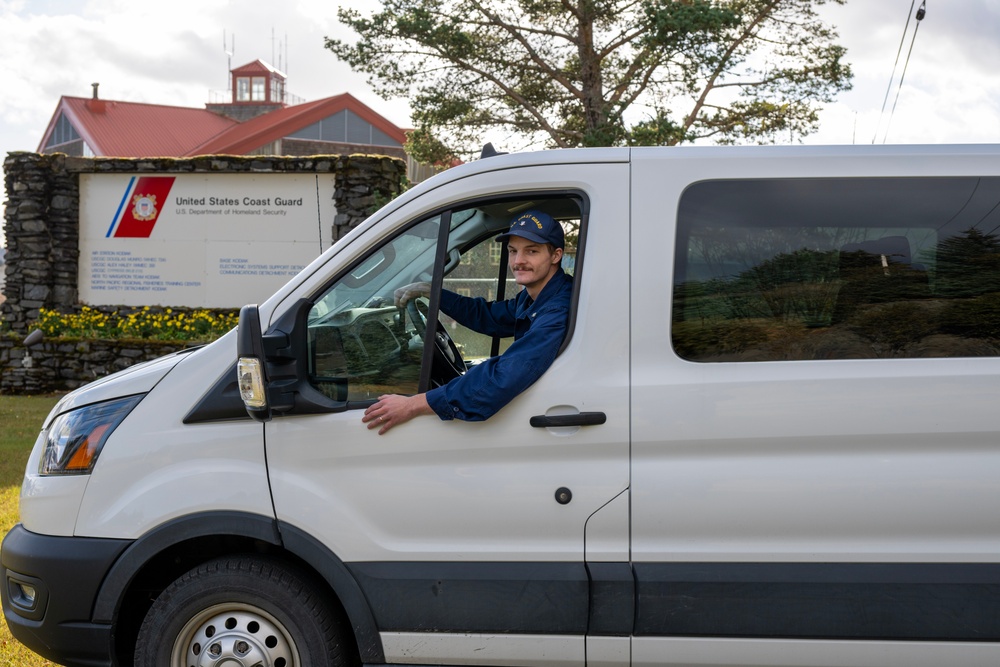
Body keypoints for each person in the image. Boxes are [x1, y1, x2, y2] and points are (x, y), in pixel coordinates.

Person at [362, 209, 574, 434]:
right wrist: (431, 292)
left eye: (531, 251)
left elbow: (505, 376)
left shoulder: (556, 310)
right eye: (513, 251)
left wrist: (413, 404)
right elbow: (490, 317)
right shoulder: (538, 297)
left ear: (556, 255)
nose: (518, 261)